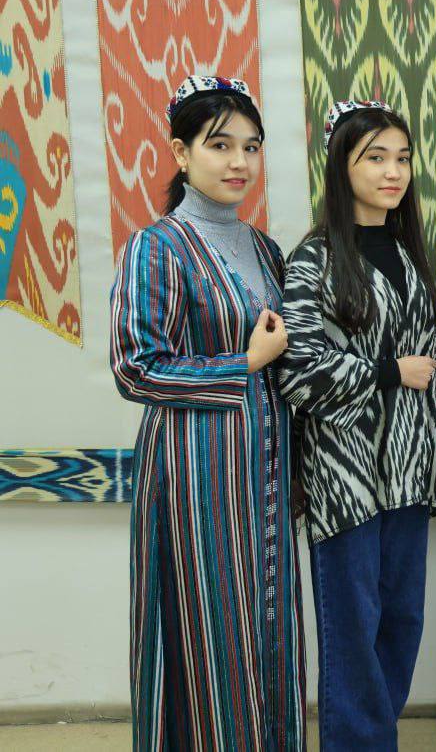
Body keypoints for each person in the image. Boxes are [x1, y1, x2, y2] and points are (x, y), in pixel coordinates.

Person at [109, 75, 305, 749]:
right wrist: (242, 363)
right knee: (206, 630)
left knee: (268, 626)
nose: (238, 162)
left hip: (265, 473)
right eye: (219, 145)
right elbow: (136, 366)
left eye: (250, 146)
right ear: (180, 152)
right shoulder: (157, 247)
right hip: (194, 478)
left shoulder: (266, 249)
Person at [278, 101, 436, 750]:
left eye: (402, 158)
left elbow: (435, 357)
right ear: (341, 166)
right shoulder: (314, 258)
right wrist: (389, 371)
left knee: (402, 623)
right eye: (375, 157)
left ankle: (374, 738)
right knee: (353, 631)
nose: (393, 171)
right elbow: (297, 368)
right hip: (344, 479)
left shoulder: (410, 253)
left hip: (408, 473)